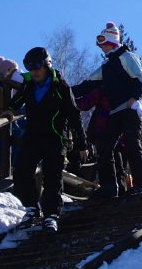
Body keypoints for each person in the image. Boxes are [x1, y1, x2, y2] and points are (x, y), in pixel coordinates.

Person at [9, 47, 88, 234]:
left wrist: (81, 143)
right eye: (30, 67)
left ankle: (51, 215)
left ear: (46, 65)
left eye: (37, 66)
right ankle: (31, 208)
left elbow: (74, 115)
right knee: (22, 171)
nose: (34, 71)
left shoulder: (60, 86)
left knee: (52, 175)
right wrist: (9, 110)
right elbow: (18, 99)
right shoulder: (28, 83)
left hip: (55, 137)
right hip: (33, 135)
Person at [78, 22, 142, 198]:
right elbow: (88, 84)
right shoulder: (107, 66)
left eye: (102, 40)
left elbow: (141, 78)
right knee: (104, 145)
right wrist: (65, 91)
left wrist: (135, 96)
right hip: (115, 111)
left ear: (111, 39)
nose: (100, 45)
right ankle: (109, 186)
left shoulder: (127, 56)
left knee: (132, 143)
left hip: (130, 108)